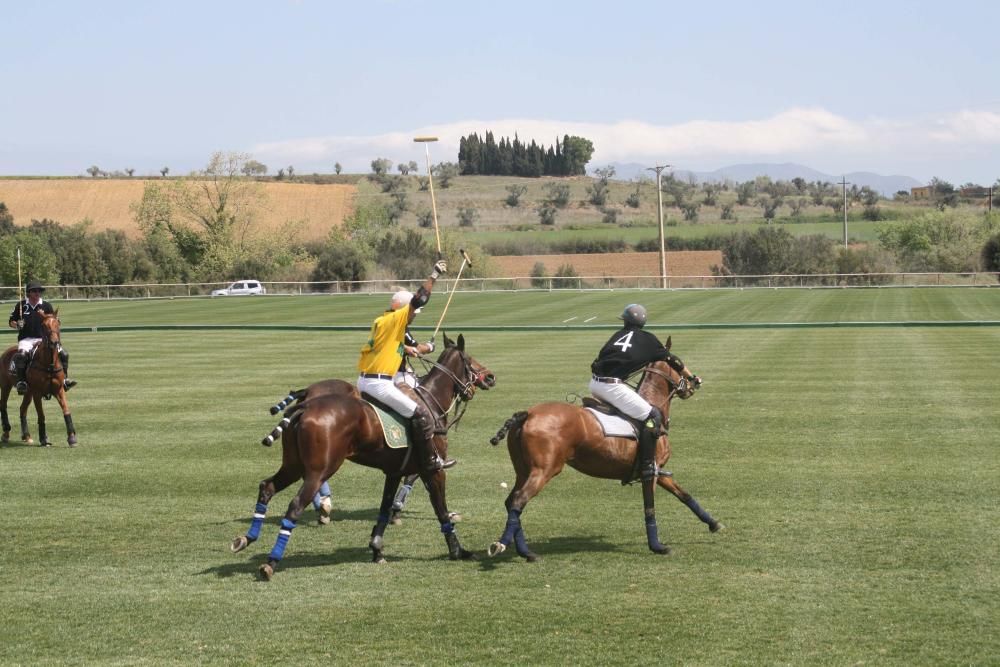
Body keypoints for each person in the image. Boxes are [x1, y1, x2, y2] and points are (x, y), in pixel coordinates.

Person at [357, 260, 453, 471]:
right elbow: (420, 299)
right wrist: (434, 274)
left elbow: (392, 346)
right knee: (421, 414)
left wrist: (408, 349)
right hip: (379, 384)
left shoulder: (383, 321)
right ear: (402, 310)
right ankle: (429, 460)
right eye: (411, 314)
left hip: (364, 380)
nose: (413, 317)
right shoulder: (396, 320)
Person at [589, 304, 701, 481]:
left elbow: (598, 359)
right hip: (612, 387)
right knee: (653, 415)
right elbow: (673, 361)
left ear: (625, 321)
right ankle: (648, 466)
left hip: (594, 384)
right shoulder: (649, 340)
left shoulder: (617, 335)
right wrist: (692, 378)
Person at [7, 280, 77, 395]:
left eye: (39, 291)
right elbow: (11, 322)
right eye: (34, 291)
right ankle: (22, 382)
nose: (37, 293)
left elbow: (55, 320)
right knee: (22, 356)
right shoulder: (21, 306)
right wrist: (17, 325)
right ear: (28, 293)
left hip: (44, 339)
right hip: (27, 339)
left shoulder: (46, 305)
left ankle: (65, 380)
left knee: (64, 354)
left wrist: (56, 321)